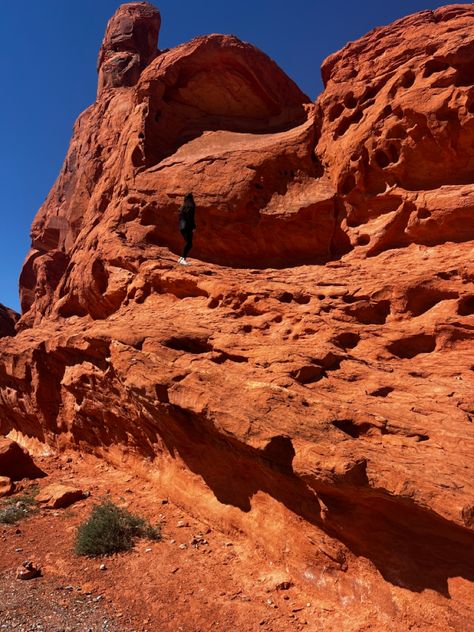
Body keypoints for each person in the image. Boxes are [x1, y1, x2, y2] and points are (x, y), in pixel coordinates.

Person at [178, 192, 196, 266]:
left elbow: (180, 218)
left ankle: (181, 259)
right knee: (189, 243)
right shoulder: (191, 206)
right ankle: (183, 259)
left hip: (182, 227)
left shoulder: (182, 207)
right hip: (188, 227)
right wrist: (194, 227)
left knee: (188, 243)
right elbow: (191, 218)